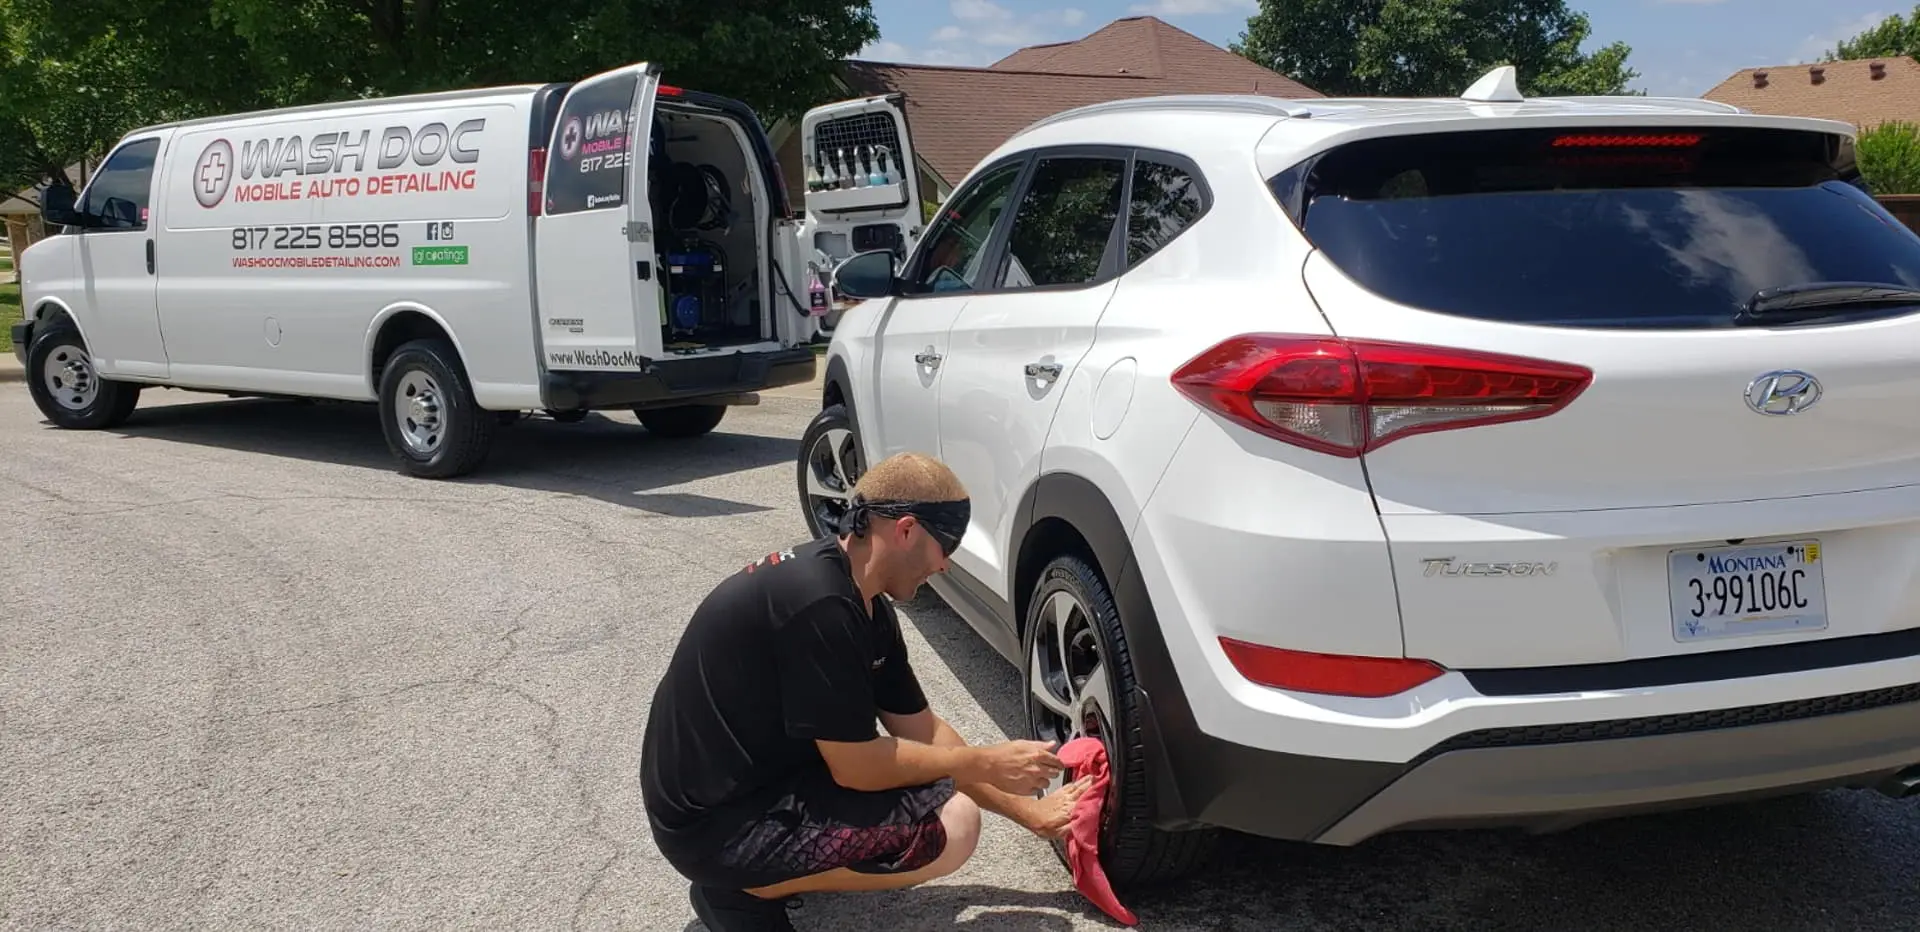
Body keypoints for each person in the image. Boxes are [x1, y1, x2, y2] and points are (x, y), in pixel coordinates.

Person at [640, 451, 1093, 931]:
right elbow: (858, 768)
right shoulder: (820, 605)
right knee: (953, 826)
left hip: (752, 783)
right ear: (906, 531)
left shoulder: (862, 601)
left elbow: (923, 731)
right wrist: (985, 762)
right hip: (713, 828)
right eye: (948, 548)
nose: (944, 567)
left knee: (931, 776)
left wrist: (1032, 813)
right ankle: (742, 889)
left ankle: (770, 871)